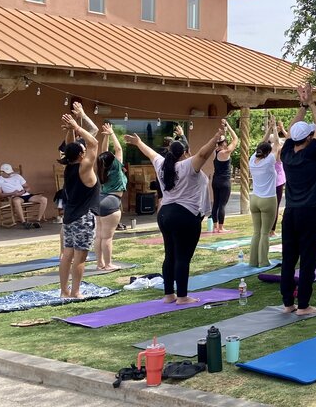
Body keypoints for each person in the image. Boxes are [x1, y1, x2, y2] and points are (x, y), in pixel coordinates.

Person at [125, 126, 221, 304]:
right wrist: (215, 138)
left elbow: (150, 153)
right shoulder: (187, 165)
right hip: (184, 216)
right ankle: (182, 297)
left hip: (165, 214)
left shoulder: (162, 164)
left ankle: (169, 295)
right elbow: (202, 155)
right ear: (184, 153)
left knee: (170, 255)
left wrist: (138, 142)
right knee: (183, 257)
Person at [279, 84, 316, 315]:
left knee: (288, 258)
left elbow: (291, 130)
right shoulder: (311, 154)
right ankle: (304, 305)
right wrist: (311, 102)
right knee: (308, 259)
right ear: (308, 138)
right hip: (311, 211)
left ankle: (288, 303)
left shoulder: (286, 154)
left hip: (290, 213)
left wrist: (301, 105)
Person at [58, 113, 100, 298]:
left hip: (69, 217)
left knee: (67, 254)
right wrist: (76, 126)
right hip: (83, 218)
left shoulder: (68, 167)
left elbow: (69, 149)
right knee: (80, 257)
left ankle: (64, 291)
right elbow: (94, 143)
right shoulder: (85, 167)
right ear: (82, 154)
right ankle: (75, 291)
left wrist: (70, 130)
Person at [94, 123, 127, 271]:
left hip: (99, 200)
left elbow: (103, 152)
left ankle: (99, 263)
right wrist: (112, 133)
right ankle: (108, 264)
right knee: (107, 237)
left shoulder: (101, 166)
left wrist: (106, 135)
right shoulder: (116, 166)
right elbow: (119, 149)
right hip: (111, 201)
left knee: (99, 236)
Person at [249, 135, 279, 267]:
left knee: (256, 232)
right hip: (268, 200)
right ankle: (263, 261)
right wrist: (274, 129)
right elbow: (277, 144)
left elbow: (262, 143)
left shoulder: (252, 160)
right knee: (265, 232)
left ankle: (253, 261)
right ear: (267, 153)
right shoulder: (269, 161)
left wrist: (268, 130)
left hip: (254, 199)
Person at [0, 164, 48, 229]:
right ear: (2, 172)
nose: (10, 174)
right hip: (14, 197)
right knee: (16, 201)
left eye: (10, 173)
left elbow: (27, 187)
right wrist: (13, 193)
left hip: (25, 194)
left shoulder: (17, 176)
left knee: (44, 199)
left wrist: (23, 191)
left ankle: (38, 221)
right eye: (8, 173)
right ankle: (24, 223)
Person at [210, 120, 239, 233]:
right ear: (224, 144)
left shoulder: (215, 152)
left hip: (215, 180)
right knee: (222, 204)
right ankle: (221, 228)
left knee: (216, 203)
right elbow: (235, 139)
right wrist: (229, 127)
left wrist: (224, 131)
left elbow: (224, 142)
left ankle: (214, 226)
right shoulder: (225, 152)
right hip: (224, 181)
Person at [270, 119, 288, 237]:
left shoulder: (268, 152)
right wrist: (281, 129)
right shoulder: (278, 151)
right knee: (275, 206)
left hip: (272, 180)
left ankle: (269, 229)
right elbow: (291, 140)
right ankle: (272, 230)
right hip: (278, 180)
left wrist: (275, 129)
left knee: (271, 206)